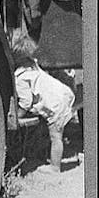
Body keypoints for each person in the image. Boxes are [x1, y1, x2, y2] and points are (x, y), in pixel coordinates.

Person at [11, 28, 76, 170]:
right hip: (62, 94)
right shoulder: (31, 64)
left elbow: (26, 102)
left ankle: (55, 167)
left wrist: (16, 115)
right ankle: (61, 158)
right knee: (57, 133)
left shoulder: (20, 78)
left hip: (56, 105)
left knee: (56, 137)